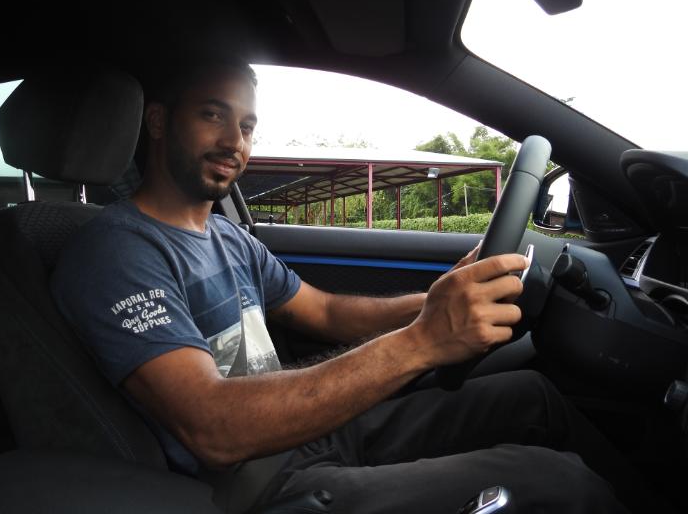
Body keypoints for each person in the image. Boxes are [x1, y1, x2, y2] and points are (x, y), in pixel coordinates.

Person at [50, 57, 656, 514]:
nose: (235, 142)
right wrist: (423, 341)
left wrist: (440, 299)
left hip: (304, 431)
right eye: (212, 114)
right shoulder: (117, 251)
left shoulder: (226, 236)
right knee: (558, 484)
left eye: (247, 124)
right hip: (253, 486)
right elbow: (214, 428)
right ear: (158, 121)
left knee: (532, 397)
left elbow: (325, 312)